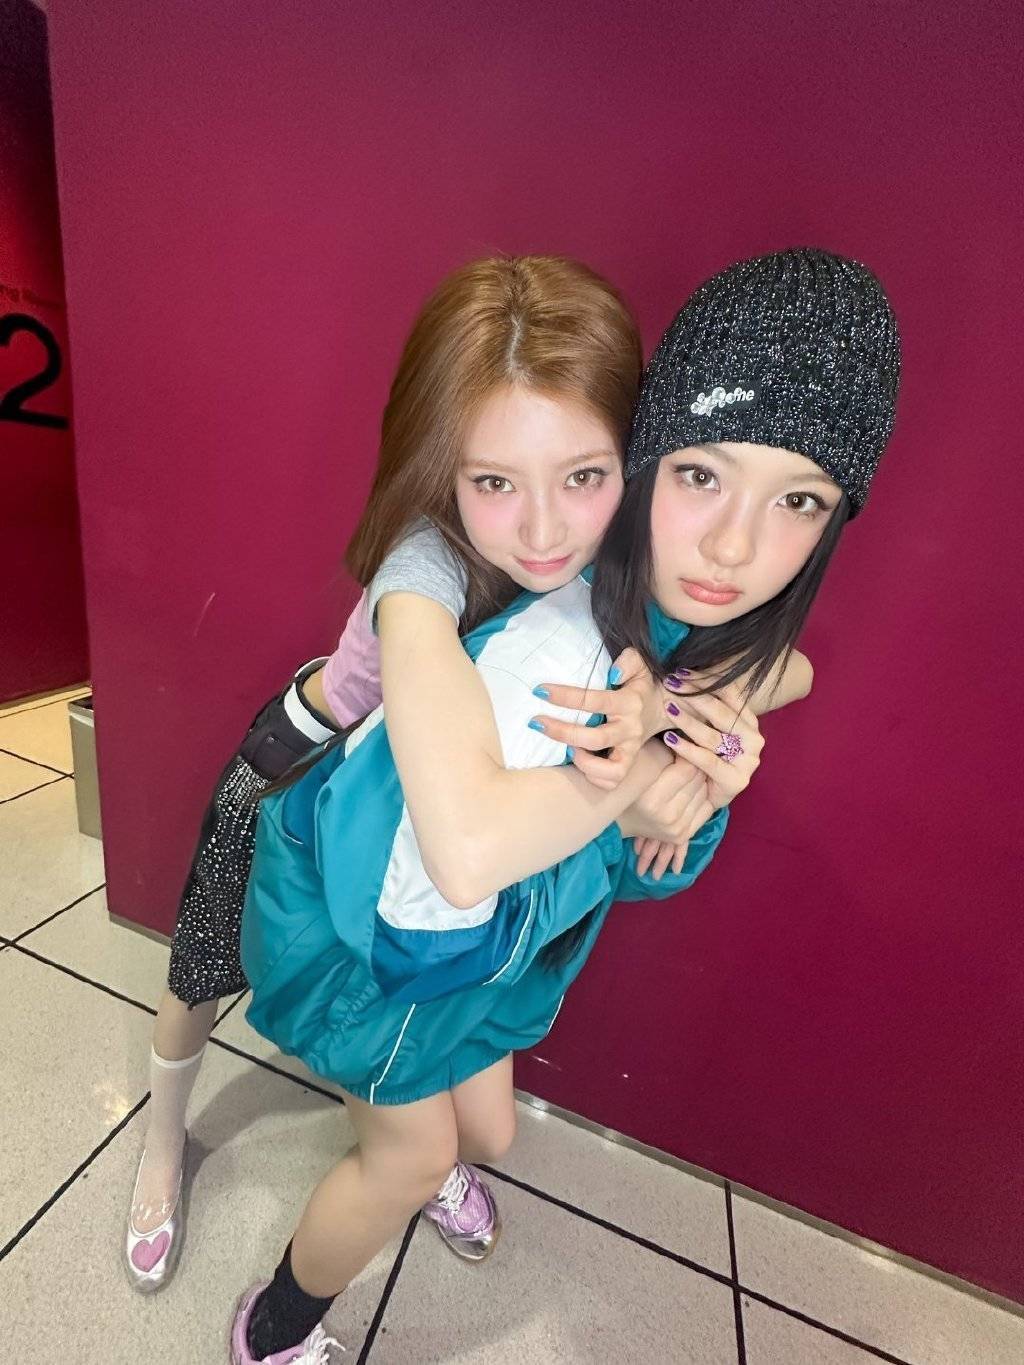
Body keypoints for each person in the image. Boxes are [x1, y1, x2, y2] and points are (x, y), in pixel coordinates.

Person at [228, 246, 895, 1363]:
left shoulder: (672, 627)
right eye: (701, 476)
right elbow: (458, 866)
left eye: (799, 500)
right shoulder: (547, 650)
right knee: (408, 1156)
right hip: (375, 948)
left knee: (486, 1132)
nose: (735, 544)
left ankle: (430, 1166)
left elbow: (781, 679)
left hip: (479, 943)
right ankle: (275, 1327)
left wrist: (697, 731)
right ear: (656, 454)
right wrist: (638, 785)